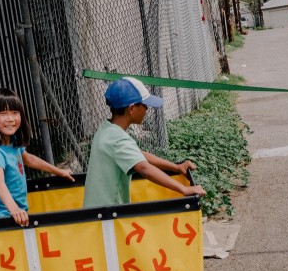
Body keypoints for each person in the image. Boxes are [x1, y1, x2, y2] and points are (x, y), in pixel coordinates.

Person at [83, 77, 206, 208]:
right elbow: (144, 168)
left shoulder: (106, 129)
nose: (147, 109)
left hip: (97, 211)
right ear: (131, 109)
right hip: (106, 217)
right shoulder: (119, 139)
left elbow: (138, 155)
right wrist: (184, 189)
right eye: (144, 105)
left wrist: (176, 167)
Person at [0, 88, 75, 226]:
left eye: (15, 113)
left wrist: (59, 171)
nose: (10, 119)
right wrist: (15, 210)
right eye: (3, 113)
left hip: (17, 215)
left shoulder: (12, 142)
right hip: (2, 219)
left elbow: (28, 159)